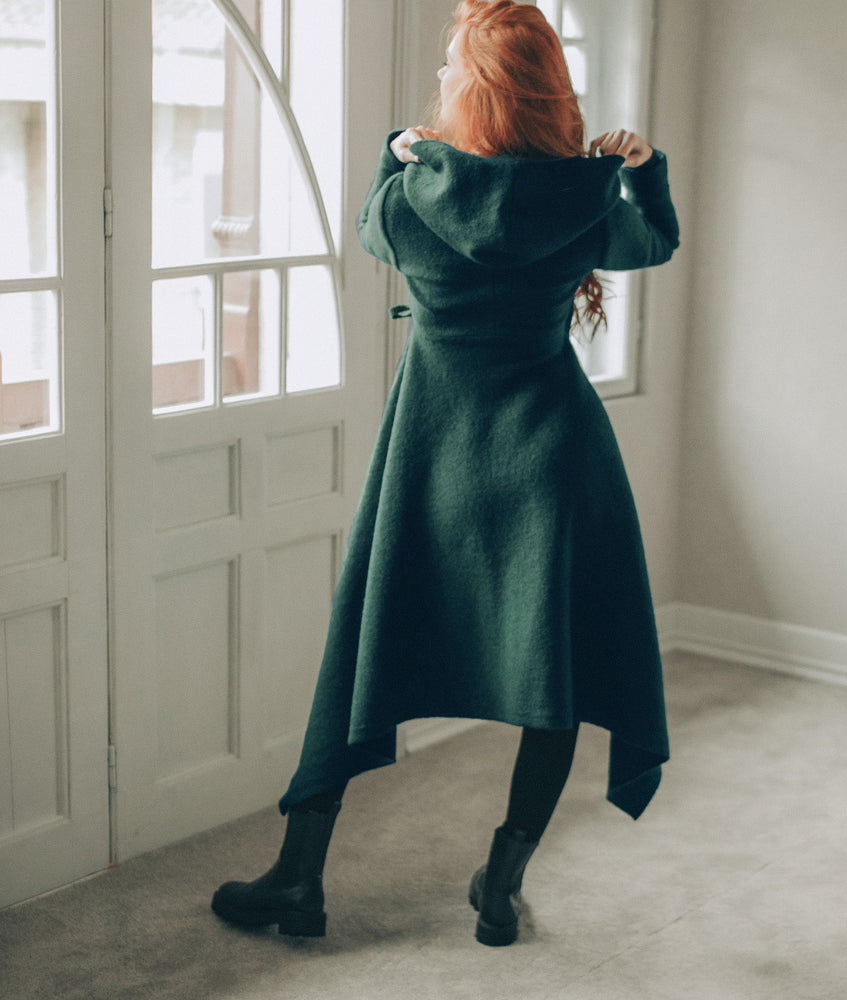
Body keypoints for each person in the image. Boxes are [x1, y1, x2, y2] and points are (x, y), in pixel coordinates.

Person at [212, 0, 679, 947]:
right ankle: (500, 882)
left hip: (432, 457)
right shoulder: (585, 203)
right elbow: (654, 241)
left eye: (448, 78)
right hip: (553, 463)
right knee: (556, 671)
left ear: (469, 92)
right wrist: (642, 170)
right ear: (550, 94)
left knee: (362, 650)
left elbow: (366, 226)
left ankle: (300, 877)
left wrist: (396, 151)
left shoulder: (412, 199)